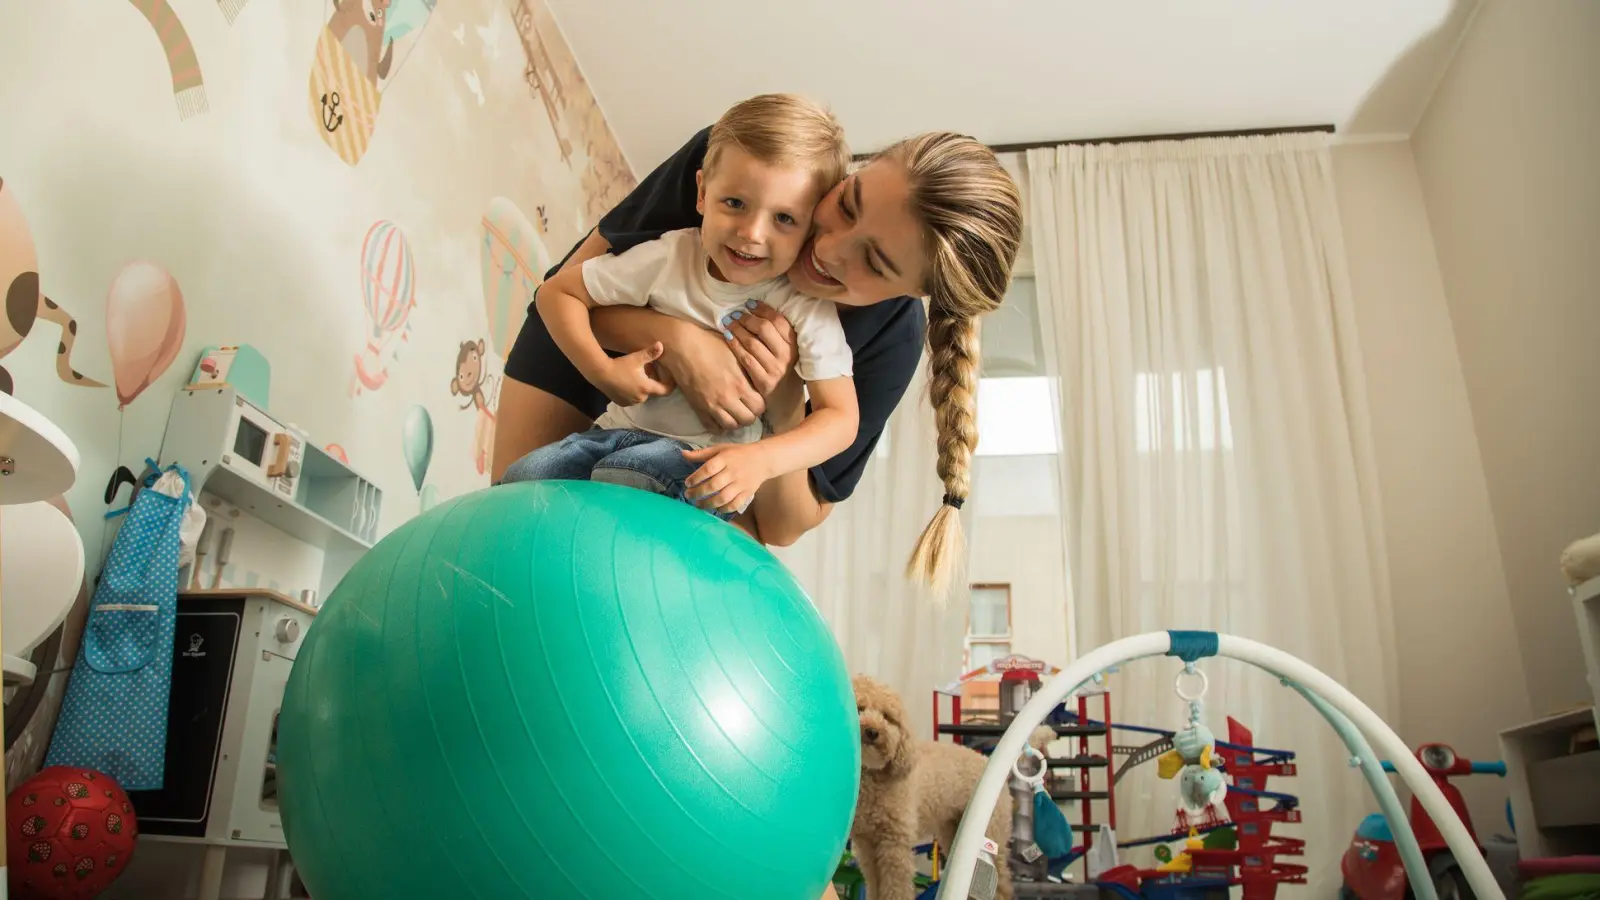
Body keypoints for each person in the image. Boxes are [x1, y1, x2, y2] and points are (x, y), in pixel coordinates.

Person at [495, 126, 1022, 590]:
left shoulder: (890, 337)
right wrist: (680, 344)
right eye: (846, 204)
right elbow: (562, 296)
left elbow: (783, 525)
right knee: (512, 539)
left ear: (912, 293)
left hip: (707, 452)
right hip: (585, 360)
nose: (830, 247)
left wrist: (785, 398)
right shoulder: (747, 165)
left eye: (874, 262)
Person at [500, 94, 861, 520]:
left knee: (630, 476)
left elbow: (841, 418)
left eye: (784, 219)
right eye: (735, 203)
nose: (752, 233)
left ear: (809, 228)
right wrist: (604, 371)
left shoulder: (802, 306)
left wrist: (762, 460)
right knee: (523, 481)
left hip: (700, 464)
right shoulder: (669, 255)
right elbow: (557, 294)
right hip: (614, 432)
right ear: (703, 193)